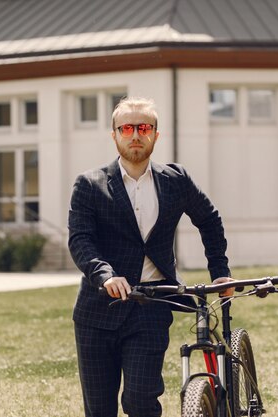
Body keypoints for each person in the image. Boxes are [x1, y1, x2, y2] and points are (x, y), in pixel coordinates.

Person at [68, 96, 232, 417]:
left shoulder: (176, 181)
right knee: (100, 410)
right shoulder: (89, 185)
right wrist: (105, 275)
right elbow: (80, 240)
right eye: (126, 128)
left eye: (143, 127)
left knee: (141, 402)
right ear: (114, 134)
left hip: (151, 308)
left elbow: (209, 220)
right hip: (97, 314)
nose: (135, 135)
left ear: (156, 134)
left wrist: (220, 271)